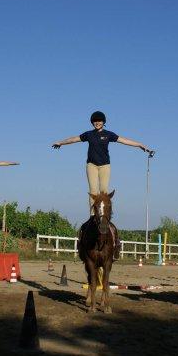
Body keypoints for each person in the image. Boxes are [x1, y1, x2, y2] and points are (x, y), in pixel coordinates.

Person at [52, 111, 153, 260]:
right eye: (95, 121)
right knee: (93, 191)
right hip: (92, 165)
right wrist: (60, 142)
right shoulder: (89, 134)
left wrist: (140, 145)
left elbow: (124, 140)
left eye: (99, 121)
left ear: (104, 122)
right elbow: (74, 139)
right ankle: (93, 216)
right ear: (92, 123)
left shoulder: (109, 134)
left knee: (104, 193)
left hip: (105, 166)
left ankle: (105, 216)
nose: (97, 123)